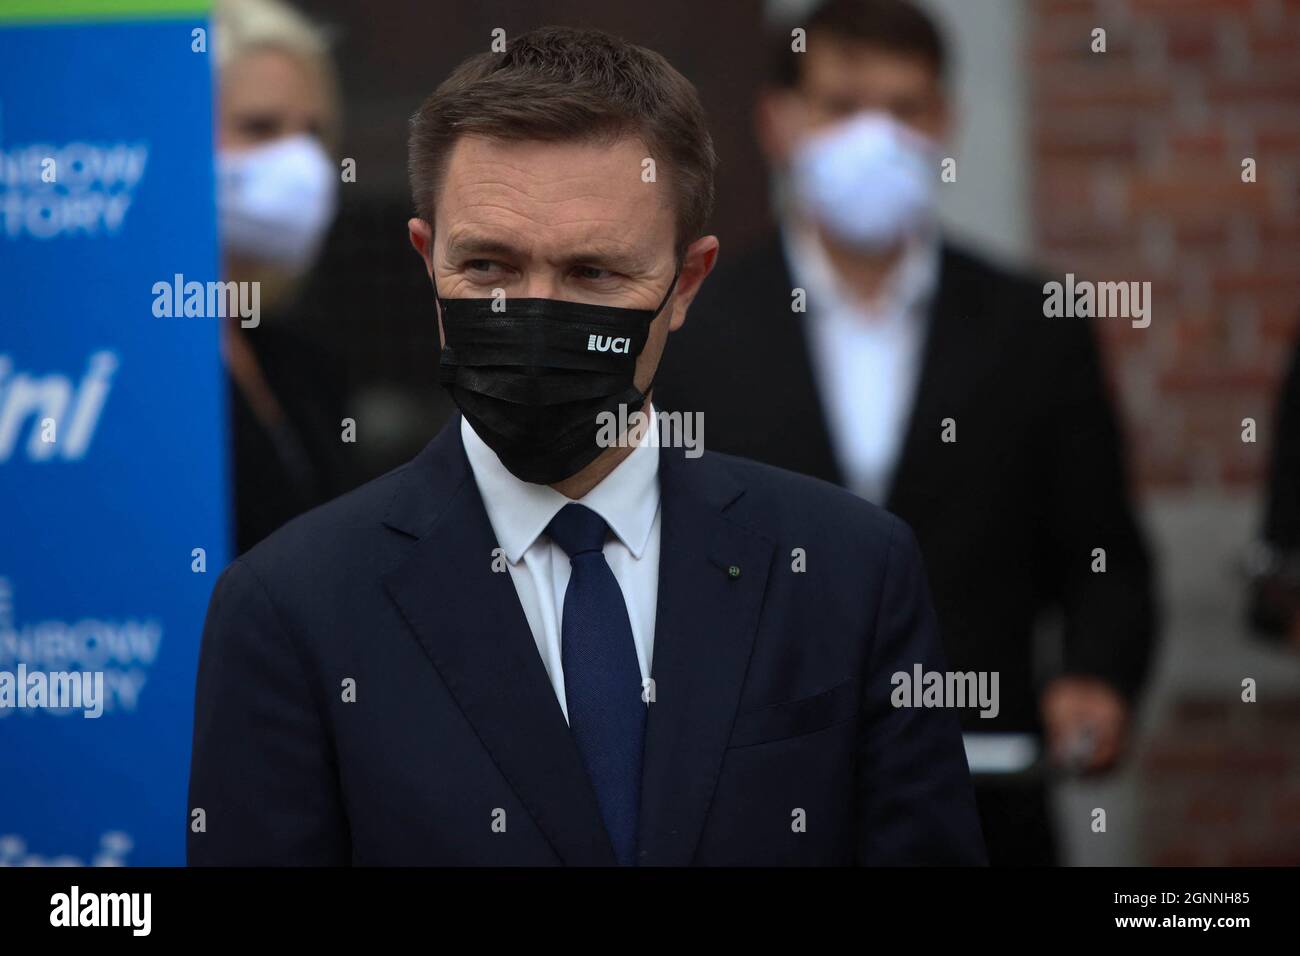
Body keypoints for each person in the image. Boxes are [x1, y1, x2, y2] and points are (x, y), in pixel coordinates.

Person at [188, 25, 986, 866]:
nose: (534, 313)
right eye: (490, 267)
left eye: (593, 274)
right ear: (428, 261)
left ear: (687, 282)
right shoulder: (290, 608)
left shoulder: (847, 572)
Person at [653, 0, 1158, 865]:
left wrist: (1095, 677)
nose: (875, 138)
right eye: (844, 108)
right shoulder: (692, 325)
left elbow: (1101, 551)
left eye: (904, 109)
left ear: (944, 122)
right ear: (779, 121)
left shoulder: (1033, 324)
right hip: (750, 810)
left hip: (984, 797)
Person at [214, 0, 351, 555]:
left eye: (313, 133)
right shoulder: (114, 368)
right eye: (260, 127)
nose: (299, 162)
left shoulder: (302, 364)